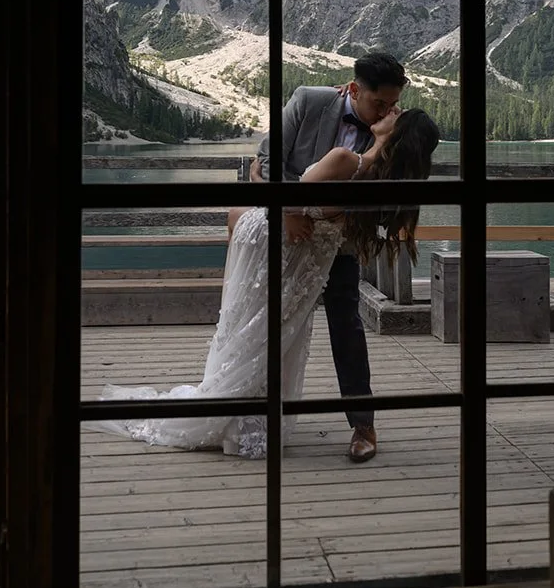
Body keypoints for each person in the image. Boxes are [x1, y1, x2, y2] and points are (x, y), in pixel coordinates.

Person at [97, 105, 440, 460]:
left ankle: (235, 410)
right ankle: (242, 413)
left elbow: (291, 201)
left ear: (396, 133)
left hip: (276, 245)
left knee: (254, 329)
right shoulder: (380, 180)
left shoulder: (345, 159)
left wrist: (258, 183)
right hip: (299, 257)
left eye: (397, 113)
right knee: (269, 332)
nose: (391, 109)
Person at [251, 52, 410, 462]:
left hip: (337, 242)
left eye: (393, 104)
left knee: (347, 325)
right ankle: (251, 416)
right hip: (284, 232)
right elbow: (268, 160)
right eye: (380, 103)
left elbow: (388, 198)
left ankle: (363, 424)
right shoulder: (308, 100)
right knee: (269, 323)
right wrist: (288, 211)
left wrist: (386, 137)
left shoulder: (390, 131)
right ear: (354, 89)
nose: (387, 111)